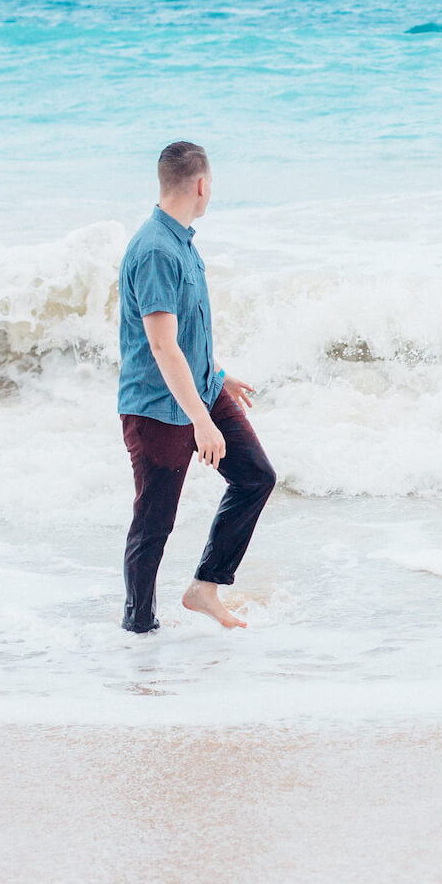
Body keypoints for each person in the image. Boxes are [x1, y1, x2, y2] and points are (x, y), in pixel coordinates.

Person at [116, 141, 275, 632]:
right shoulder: (156, 250)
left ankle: (204, 589)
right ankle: (138, 629)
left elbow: (182, 334)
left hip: (201, 389)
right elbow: (162, 347)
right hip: (158, 411)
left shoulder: (182, 239)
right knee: (154, 524)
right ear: (201, 185)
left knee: (255, 477)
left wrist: (218, 373)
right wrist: (202, 422)